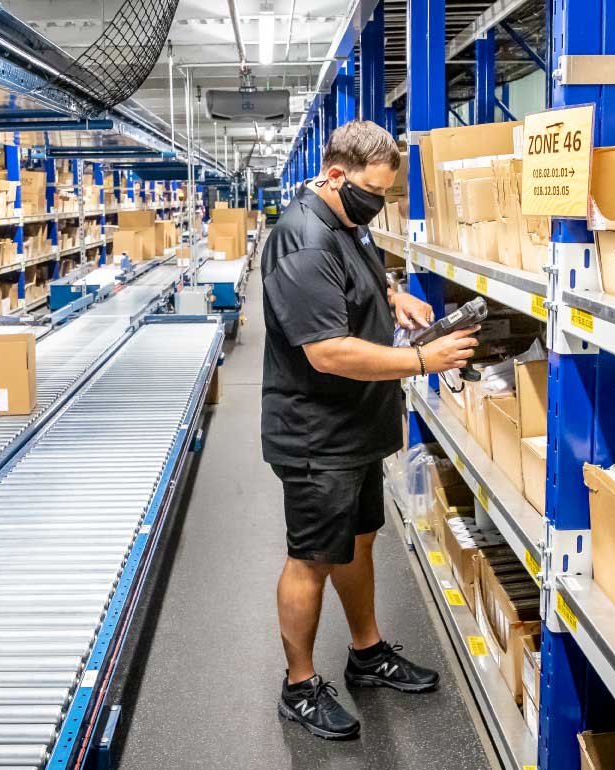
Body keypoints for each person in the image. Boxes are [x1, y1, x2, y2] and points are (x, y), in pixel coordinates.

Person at [260, 120, 481, 740]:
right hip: (317, 433)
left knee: (359, 542)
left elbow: (355, 273)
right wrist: (422, 360)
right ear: (336, 175)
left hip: (355, 424)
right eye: (372, 192)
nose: (378, 204)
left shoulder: (344, 221)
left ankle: (367, 652)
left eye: (386, 193)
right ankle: (299, 686)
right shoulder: (302, 239)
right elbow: (328, 351)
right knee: (311, 559)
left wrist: (392, 293)